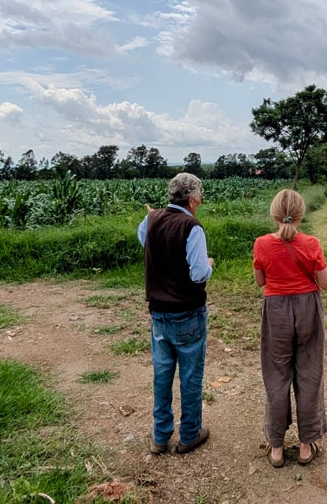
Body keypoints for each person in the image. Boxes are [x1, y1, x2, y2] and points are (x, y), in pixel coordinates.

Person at [253, 189, 327, 468]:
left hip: (275, 310)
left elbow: (260, 281)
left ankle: (276, 447)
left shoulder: (261, 243)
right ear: (301, 213)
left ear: (275, 213)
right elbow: (325, 283)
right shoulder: (312, 243)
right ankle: (306, 445)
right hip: (307, 308)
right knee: (309, 373)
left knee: (277, 376)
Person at [138, 172, 214, 455]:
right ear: (193, 198)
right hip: (188, 312)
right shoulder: (191, 226)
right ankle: (189, 435)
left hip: (158, 314)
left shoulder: (152, 218)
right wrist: (209, 263)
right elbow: (197, 274)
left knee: (162, 374)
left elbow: (144, 240)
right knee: (191, 376)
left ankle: (160, 436)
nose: (201, 200)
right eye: (200, 196)